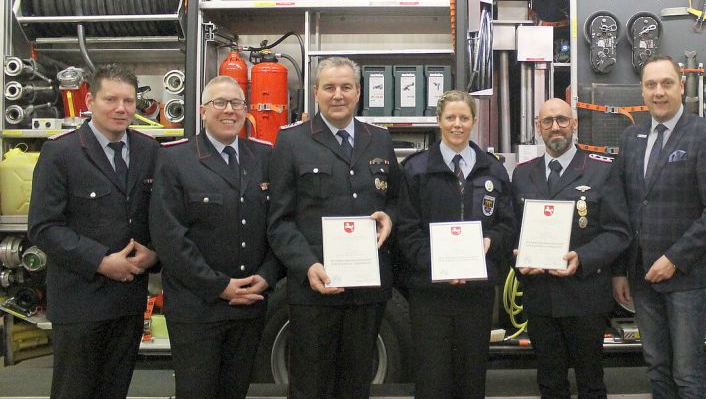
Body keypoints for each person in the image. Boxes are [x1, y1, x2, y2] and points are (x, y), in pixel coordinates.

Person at [267, 56, 399, 399]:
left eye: (345, 87)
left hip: (367, 289)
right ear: (316, 92)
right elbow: (279, 220)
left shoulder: (381, 140)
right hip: (314, 287)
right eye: (329, 87)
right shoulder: (292, 142)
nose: (337, 95)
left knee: (356, 384)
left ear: (358, 93)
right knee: (310, 385)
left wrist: (390, 218)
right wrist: (306, 265)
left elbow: (396, 201)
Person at [27, 64, 160, 399]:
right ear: (90, 100)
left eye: (128, 101)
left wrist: (155, 251)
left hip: (128, 302)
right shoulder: (61, 152)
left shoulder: (149, 150)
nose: (121, 108)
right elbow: (43, 227)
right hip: (79, 303)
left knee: (115, 390)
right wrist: (102, 261)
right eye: (111, 99)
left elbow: (158, 215)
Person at [609, 54, 706, 399]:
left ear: (681, 86)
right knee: (657, 368)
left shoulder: (705, 135)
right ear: (642, 91)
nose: (659, 92)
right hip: (642, 276)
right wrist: (621, 270)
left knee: (687, 373)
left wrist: (675, 258)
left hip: (685, 278)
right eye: (651, 85)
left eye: (666, 83)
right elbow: (626, 211)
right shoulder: (631, 138)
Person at [149, 75, 281, 399]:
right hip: (198, 309)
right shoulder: (175, 158)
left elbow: (279, 224)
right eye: (219, 103)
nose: (229, 110)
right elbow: (169, 236)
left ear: (246, 111)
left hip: (249, 306)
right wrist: (219, 287)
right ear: (202, 111)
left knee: (235, 392)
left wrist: (267, 276)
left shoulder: (264, 157)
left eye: (236, 103)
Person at [396, 90, 515, 399]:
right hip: (429, 294)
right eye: (450, 117)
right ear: (439, 121)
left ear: (474, 121)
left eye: (464, 118)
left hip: (476, 295)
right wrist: (438, 265)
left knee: (472, 378)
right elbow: (407, 232)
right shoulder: (415, 170)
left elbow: (507, 225)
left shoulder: (494, 170)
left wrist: (492, 241)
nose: (457, 124)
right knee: (432, 379)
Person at [510, 98, 631, 399]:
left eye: (562, 120)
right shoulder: (523, 174)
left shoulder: (602, 170)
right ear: (538, 127)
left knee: (591, 383)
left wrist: (584, 257)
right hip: (540, 298)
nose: (556, 127)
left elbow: (618, 232)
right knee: (550, 384)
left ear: (574, 124)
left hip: (585, 297)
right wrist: (519, 259)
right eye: (548, 121)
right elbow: (515, 231)